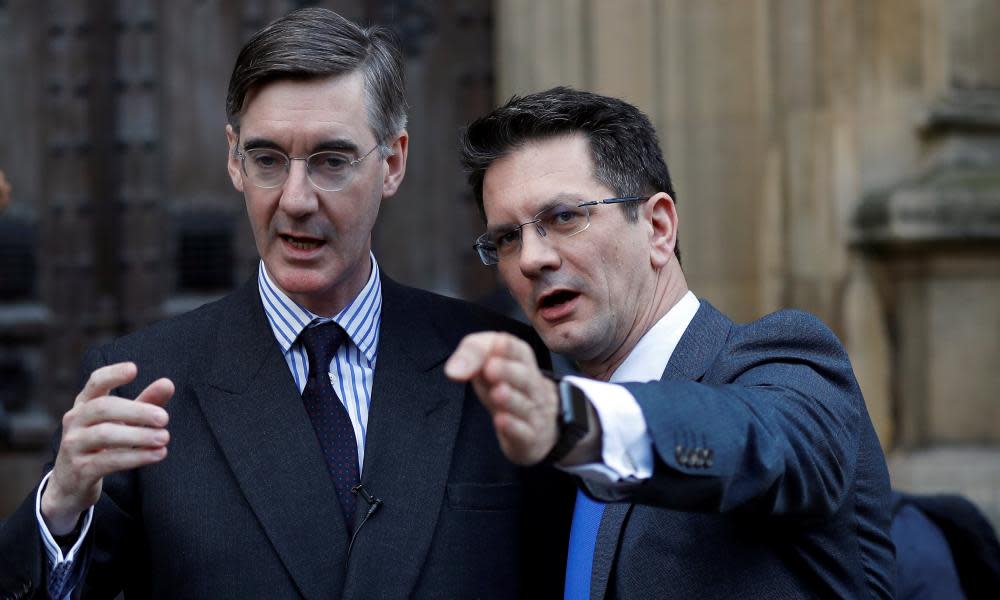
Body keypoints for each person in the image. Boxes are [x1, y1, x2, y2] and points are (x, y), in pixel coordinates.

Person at [0, 9, 570, 599]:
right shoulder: (144, 386)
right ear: (233, 160)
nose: (296, 200)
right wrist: (59, 509)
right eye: (267, 159)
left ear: (393, 162)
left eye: (331, 161)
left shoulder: (496, 367)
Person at [445, 87, 896, 598]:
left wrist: (575, 421)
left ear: (658, 227)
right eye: (507, 238)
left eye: (564, 217)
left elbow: (760, 441)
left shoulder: (782, 359)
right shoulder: (540, 451)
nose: (531, 259)